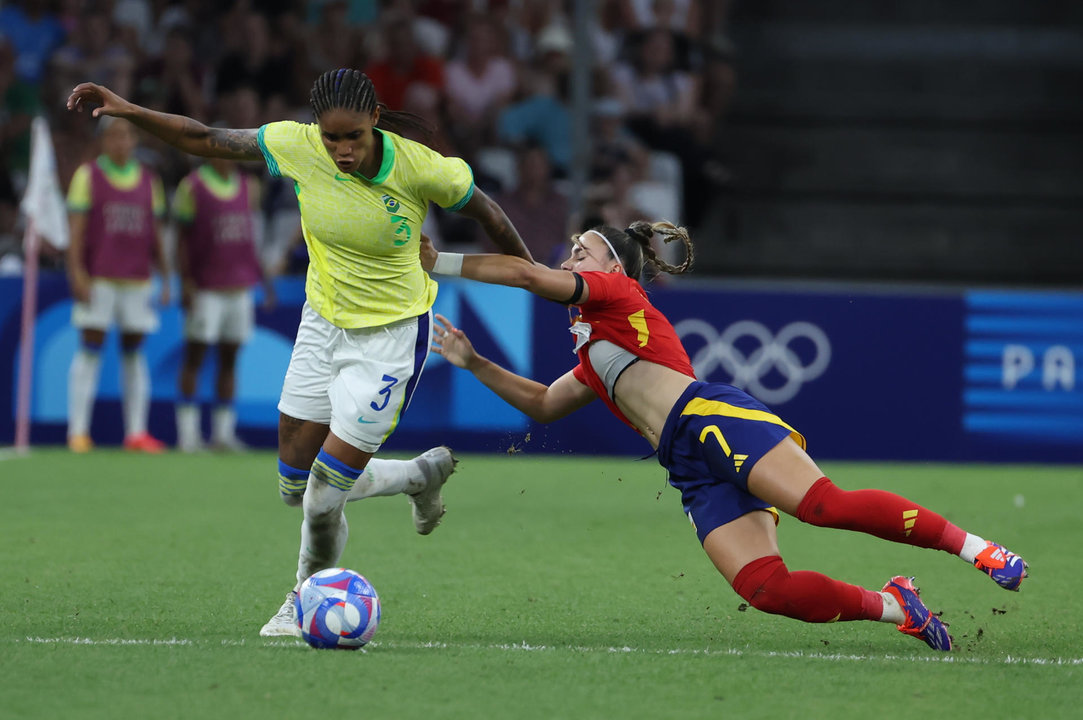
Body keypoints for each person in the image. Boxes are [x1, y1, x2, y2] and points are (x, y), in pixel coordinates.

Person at [67, 67, 535, 637]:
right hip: (321, 327)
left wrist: (539, 276)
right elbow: (204, 138)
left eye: (353, 137)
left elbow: (487, 212)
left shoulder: (420, 167)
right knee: (295, 487)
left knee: (320, 502)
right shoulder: (296, 144)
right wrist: (132, 109)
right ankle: (417, 476)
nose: (340, 150)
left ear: (376, 123)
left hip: (388, 341)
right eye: (331, 136)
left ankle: (301, 600)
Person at [421, 221, 1029, 652]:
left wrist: (440, 262)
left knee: (823, 506)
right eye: (570, 251)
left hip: (708, 416)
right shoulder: (590, 354)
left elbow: (528, 276)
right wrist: (475, 362)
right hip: (685, 463)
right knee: (766, 588)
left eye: (581, 251)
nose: (568, 259)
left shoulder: (618, 294)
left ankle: (977, 549)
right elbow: (545, 404)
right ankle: (898, 605)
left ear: (611, 268)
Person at [65, 116, 170, 454]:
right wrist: (76, 273)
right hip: (99, 277)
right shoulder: (88, 176)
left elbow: (155, 235)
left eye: (126, 135)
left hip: (137, 278)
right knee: (91, 347)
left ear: (134, 140)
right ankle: (78, 431)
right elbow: (77, 231)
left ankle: (136, 432)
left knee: (134, 351)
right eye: (113, 136)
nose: (120, 142)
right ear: (103, 141)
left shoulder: (148, 181)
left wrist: (166, 277)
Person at [172, 155, 272, 452]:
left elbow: (251, 237)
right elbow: (180, 238)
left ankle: (222, 434)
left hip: (240, 286)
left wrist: (263, 280)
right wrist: (185, 282)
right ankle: (188, 436)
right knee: (195, 356)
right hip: (206, 287)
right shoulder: (192, 186)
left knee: (230, 357)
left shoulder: (248, 186)